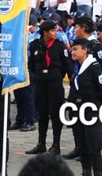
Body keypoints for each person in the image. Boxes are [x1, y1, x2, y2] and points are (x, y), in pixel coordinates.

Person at [66, 37, 102, 176]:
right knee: (81, 142)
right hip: (77, 109)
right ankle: (86, 172)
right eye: (72, 49)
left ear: (85, 50)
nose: (73, 52)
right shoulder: (77, 66)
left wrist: (99, 107)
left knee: (93, 143)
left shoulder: (94, 67)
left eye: (76, 49)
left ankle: (97, 172)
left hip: (91, 109)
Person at [26, 20, 70, 156]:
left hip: (54, 83)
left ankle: (56, 144)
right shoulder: (35, 45)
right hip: (40, 83)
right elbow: (31, 65)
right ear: (45, 32)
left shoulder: (59, 46)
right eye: (52, 31)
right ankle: (41, 143)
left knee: (56, 114)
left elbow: (66, 65)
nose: (55, 33)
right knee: (42, 113)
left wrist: (56, 76)